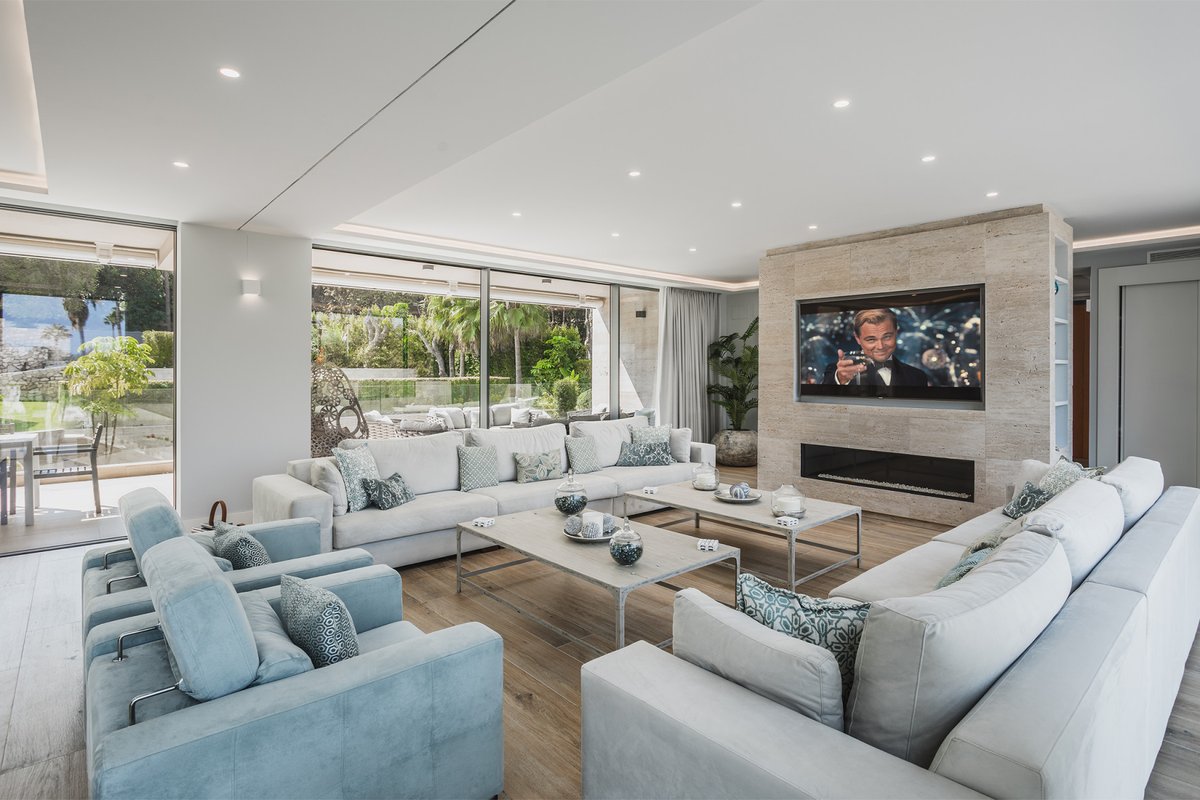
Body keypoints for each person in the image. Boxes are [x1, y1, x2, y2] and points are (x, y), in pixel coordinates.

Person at [822, 308, 930, 387]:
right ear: (857, 338)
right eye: (871, 339)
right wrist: (841, 379)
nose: (880, 346)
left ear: (896, 333)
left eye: (887, 337)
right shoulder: (836, 371)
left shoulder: (917, 376)